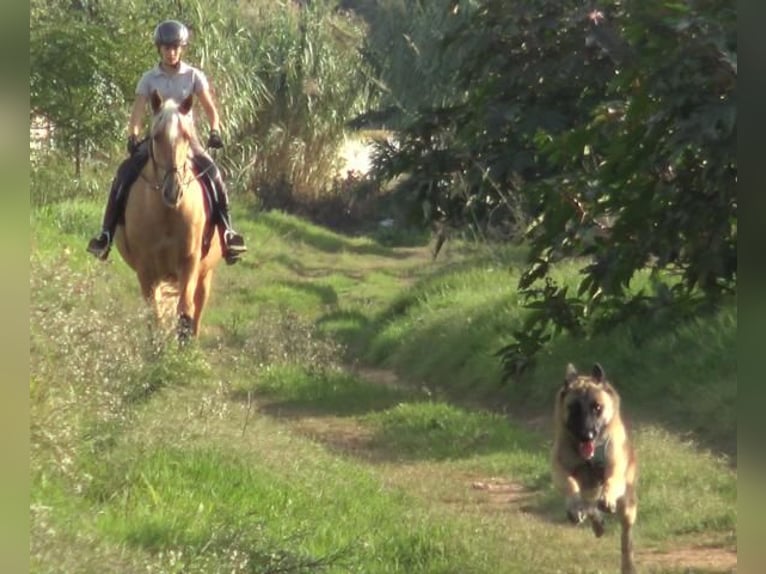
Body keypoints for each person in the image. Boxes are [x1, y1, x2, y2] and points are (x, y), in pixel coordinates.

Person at [87, 19, 246, 264]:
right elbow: (137, 113)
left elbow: (211, 110)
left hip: (186, 140)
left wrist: (215, 131)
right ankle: (106, 234)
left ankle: (227, 232)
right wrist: (133, 135)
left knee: (213, 175)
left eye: (175, 47)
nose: (171, 52)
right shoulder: (149, 79)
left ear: (182, 48)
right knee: (123, 174)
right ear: (159, 49)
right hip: (157, 140)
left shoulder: (193, 76)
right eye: (166, 48)